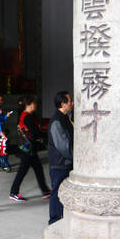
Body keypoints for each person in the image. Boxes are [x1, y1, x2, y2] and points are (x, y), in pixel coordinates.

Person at [6, 98, 49, 201]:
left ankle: (45, 191)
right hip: (27, 149)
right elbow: (35, 133)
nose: (35, 105)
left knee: (38, 169)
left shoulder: (25, 115)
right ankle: (13, 192)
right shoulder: (27, 117)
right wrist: (46, 133)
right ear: (28, 105)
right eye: (33, 103)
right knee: (22, 171)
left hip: (28, 148)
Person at [44, 92, 74, 226]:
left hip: (65, 162)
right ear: (63, 104)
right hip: (59, 163)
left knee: (61, 191)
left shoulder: (64, 117)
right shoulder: (57, 120)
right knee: (56, 192)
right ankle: (54, 221)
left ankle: (60, 218)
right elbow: (63, 146)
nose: (72, 103)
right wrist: (76, 158)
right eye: (69, 101)